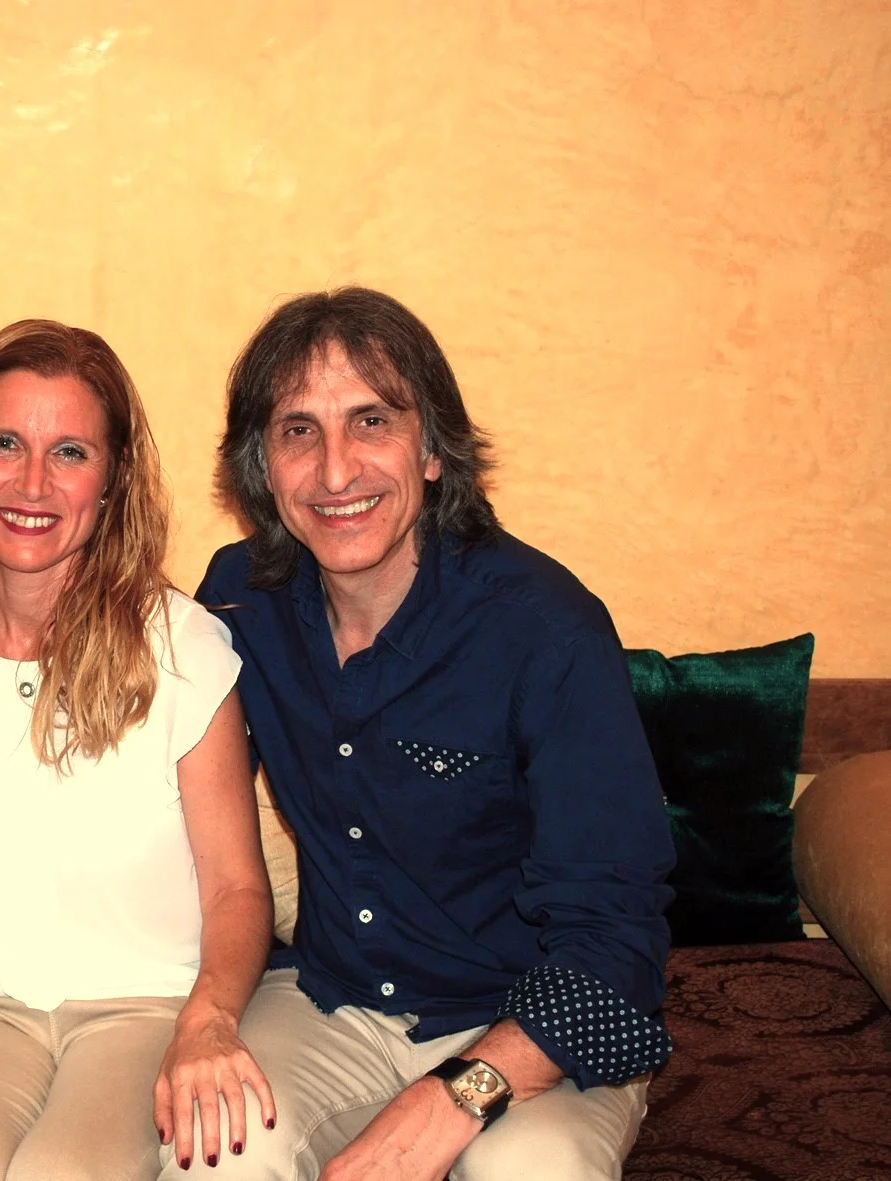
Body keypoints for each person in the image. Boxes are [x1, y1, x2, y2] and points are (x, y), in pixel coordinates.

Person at [182, 287, 675, 1181]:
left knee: (527, 1174)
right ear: (263, 466)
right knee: (211, 1152)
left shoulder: (547, 632)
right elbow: (151, 783)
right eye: (298, 430)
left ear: (434, 448)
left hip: (531, 1016)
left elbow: (616, 938)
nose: (336, 471)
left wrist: (452, 1097)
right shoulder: (240, 602)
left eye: (371, 421)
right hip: (333, 1002)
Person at [0, 320, 276, 1181]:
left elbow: (238, 887)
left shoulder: (183, 647)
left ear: (114, 478)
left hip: (148, 1003)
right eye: (3, 443)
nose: (32, 482)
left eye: (70, 453)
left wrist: (209, 1017)